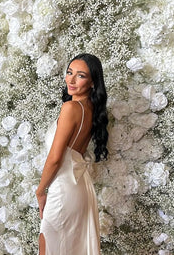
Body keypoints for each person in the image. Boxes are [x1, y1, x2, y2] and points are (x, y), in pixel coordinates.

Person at [36, 53, 109, 255]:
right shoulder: (92, 108)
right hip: (80, 188)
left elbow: (55, 158)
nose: (72, 79)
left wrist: (40, 191)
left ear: (93, 82)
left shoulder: (70, 108)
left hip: (62, 188)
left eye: (81, 75)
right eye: (70, 73)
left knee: (49, 248)